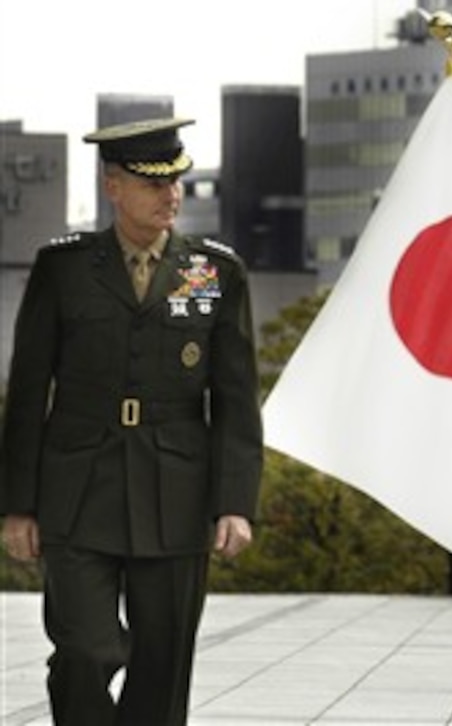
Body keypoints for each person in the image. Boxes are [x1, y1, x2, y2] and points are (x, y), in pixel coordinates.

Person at [0, 117, 264, 725]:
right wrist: (19, 504)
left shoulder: (214, 273)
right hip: (77, 489)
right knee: (86, 649)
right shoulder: (63, 269)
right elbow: (29, 392)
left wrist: (234, 502)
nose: (170, 195)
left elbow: (235, 398)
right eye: (152, 184)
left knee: (163, 663)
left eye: (176, 181)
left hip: (177, 491)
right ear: (113, 186)